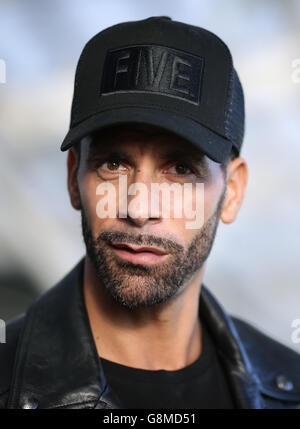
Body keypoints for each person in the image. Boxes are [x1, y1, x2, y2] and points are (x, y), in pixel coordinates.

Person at [0, 16, 299, 410]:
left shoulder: (289, 386)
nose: (138, 208)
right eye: (113, 165)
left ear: (233, 192)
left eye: (180, 169)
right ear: (74, 177)